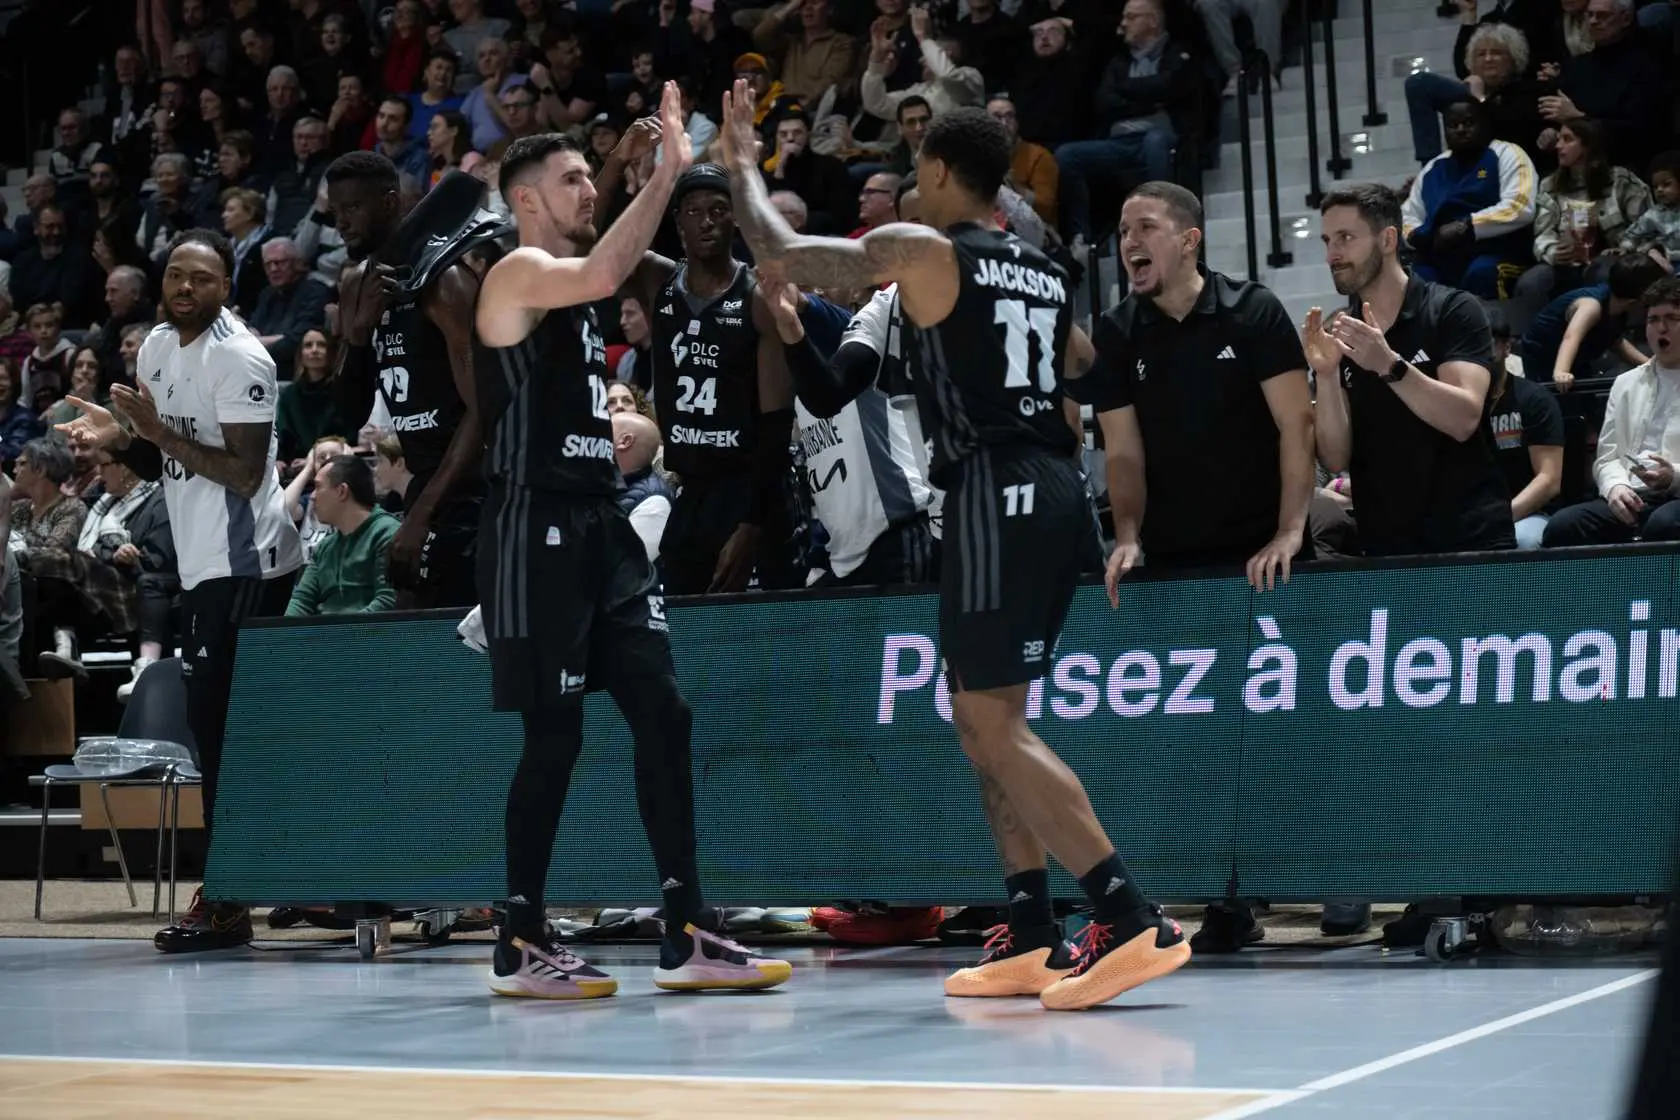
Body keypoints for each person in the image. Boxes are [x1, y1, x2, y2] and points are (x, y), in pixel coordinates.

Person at [719, 80, 1190, 1010]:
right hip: (1053, 491)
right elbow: (1086, 368)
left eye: (913, 174)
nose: (906, 190)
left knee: (991, 725)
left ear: (937, 172)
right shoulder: (1043, 268)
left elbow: (780, 250)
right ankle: (1033, 929)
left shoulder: (930, 251)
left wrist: (738, 158)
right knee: (985, 722)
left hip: (992, 493)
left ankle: (1130, 914)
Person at [470, 83, 792, 998]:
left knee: (665, 712)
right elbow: (608, 270)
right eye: (573, 179)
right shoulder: (514, 273)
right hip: (534, 525)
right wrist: (669, 172)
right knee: (555, 739)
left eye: (589, 178)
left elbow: (606, 262)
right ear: (527, 198)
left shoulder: (573, 275)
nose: (588, 190)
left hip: (603, 524)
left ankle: (686, 928)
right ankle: (521, 938)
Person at [56, 227, 304, 954]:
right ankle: (253, 884)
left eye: (201, 278)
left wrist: (155, 432)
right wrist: (117, 439)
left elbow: (243, 473)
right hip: (201, 565)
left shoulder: (241, 356)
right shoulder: (158, 347)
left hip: (248, 566)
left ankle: (229, 901)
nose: (184, 288)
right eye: (174, 276)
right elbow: (159, 450)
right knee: (218, 737)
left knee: (230, 739)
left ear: (227, 287)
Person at [1306, 183, 1516, 556]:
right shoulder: (1341, 332)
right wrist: (1326, 376)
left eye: (1345, 238)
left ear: (1388, 240)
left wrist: (1388, 364)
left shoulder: (1452, 310)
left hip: (1468, 537)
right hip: (1386, 543)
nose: (1332, 255)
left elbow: (1464, 418)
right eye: (1326, 241)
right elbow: (1336, 458)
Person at [618, 163, 799, 595]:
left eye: (718, 210)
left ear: (735, 217)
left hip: (751, 491)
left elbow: (776, 423)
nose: (707, 221)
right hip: (693, 490)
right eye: (694, 211)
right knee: (686, 638)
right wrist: (632, 171)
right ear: (677, 219)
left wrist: (751, 523)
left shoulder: (756, 296)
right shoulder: (657, 279)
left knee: (767, 643)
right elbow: (593, 244)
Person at [332, 156, 494, 610]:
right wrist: (360, 335)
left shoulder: (445, 281)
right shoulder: (353, 287)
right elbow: (347, 413)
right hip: (428, 480)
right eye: (336, 211)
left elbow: (484, 410)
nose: (342, 222)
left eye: (353, 208)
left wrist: (423, 513)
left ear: (389, 203)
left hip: (479, 488)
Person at [1542, 278, 1680, 546]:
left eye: (1672, 318)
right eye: (1653, 320)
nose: (1660, 328)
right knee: (1563, 526)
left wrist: (1673, 475)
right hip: (1635, 494)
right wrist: (1616, 487)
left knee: (1663, 524)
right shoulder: (1626, 383)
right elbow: (1606, 458)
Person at [1400, 98, 1537, 300]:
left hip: (1496, 251)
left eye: (1469, 123)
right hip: (1440, 255)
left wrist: (1467, 226)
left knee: (1481, 273)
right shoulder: (1433, 168)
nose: (1461, 129)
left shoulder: (1508, 154)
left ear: (1484, 124)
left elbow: (1520, 207)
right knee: (1414, 280)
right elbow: (1408, 217)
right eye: (1453, 125)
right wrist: (1417, 235)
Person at [1483, 311, 1565, 549]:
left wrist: (1501, 520)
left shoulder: (1534, 400)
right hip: (1475, 515)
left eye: (1487, 344)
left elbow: (1548, 480)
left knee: (1521, 541)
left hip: (1529, 513)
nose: (1479, 355)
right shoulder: (1458, 403)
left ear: (1507, 347)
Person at [1519, 255, 1663, 388]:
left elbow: (1615, 341)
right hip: (1543, 358)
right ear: (1638, 300)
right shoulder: (1591, 307)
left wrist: (1649, 365)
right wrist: (1561, 371)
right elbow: (1571, 337)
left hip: (1578, 358)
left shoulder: (1618, 309)